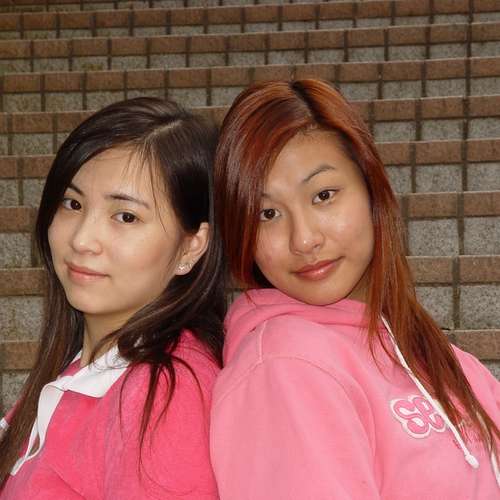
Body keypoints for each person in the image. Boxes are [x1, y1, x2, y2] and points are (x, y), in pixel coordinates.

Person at [210, 79, 500, 499]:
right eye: (266, 214)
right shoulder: (285, 367)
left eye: (323, 195)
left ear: (371, 188)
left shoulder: (446, 360)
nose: (303, 239)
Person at [0, 97, 225, 499]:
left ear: (191, 246)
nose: (82, 239)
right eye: (73, 204)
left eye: (126, 216)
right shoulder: (83, 370)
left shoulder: (163, 392)